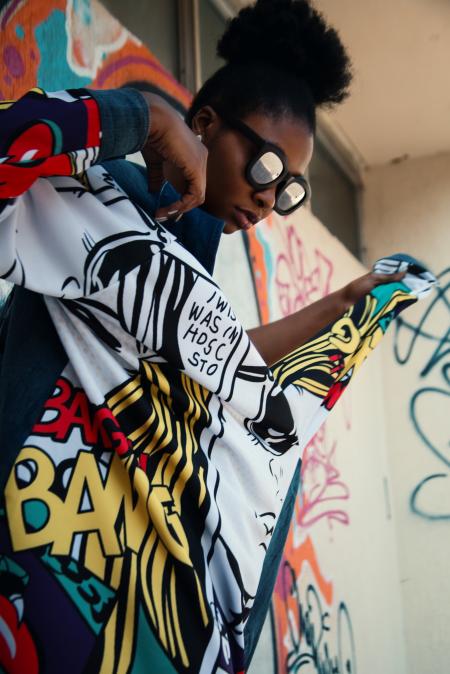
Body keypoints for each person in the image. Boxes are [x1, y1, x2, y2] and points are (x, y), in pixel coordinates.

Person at [0, 1, 435, 673]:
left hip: (124, 612)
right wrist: (141, 119)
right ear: (202, 125)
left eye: (288, 189)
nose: (269, 198)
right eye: (265, 166)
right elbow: (12, 143)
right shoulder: (92, 193)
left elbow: (221, 368)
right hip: (31, 566)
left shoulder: (184, 274)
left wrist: (348, 303)